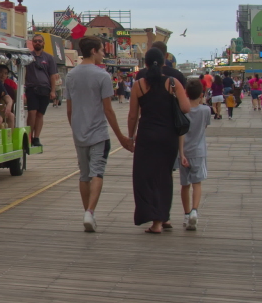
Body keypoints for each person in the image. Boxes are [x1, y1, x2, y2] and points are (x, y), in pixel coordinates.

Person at [64, 37, 133, 232]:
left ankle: (87, 211)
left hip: (79, 133)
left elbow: (69, 109)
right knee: (97, 173)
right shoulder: (102, 76)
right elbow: (108, 110)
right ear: (93, 51)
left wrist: (75, 128)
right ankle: (91, 212)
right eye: (102, 50)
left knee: (84, 175)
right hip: (98, 134)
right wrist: (121, 136)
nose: (104, 54)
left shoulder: (71, 76)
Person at [127, 48, 191, 234]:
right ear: (163, 63)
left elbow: (132, 116)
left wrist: (131, 137)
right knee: (164, 177)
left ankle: (154, 221)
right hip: (168, 136)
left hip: (146, 136)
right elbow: (186, 108)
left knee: (144, 178)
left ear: (145, 64)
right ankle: (163, 218)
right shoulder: (172, 83)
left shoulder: (138, 85)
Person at [179, 79, 211, 231]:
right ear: (201, 94)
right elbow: (205, 126)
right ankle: (194, 211)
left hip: (183, 152)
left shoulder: (181, 110)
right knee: (197, 183)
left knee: (185, 185)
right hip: (199, 152)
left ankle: (186, 215)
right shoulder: (205, 110)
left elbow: (180, 131)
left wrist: (181, 153)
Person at [25, 34, 58, 147]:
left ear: (43, 43)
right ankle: (29, 136)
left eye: (40, 41)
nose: (37, 43)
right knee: (32, 112)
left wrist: (53, 91)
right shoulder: (27, 56)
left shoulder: (49, 58)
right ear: (32, 43)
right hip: (31, 88)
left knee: (40, 114)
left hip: (45, 89)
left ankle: (36, 137)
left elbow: (52, 75)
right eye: (35, 41)